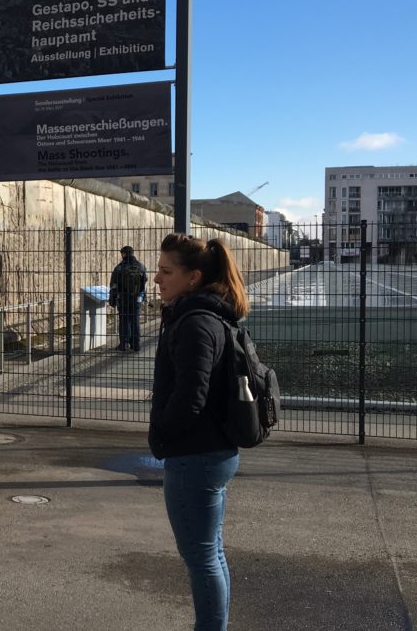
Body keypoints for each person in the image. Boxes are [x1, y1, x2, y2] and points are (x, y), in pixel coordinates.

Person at [149, 233, 249, 631]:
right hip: (211, 452)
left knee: (201, 556)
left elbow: (191, 397)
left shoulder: (196, 323)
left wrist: (162, 437)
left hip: (196, 456)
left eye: (165, 271)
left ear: (193, 278)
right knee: (210, 551)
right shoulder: (209, 315)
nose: (157, 279)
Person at [108, 245, 147, 351]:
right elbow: (144, 283)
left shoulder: (119, 267)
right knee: (135, 321)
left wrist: (112, 298)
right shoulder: (141, 266)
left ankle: (123, 344)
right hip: (136, 298)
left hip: (123, 299)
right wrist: (143, 297)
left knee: (124, 321)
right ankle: (136, 344)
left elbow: (114, 285)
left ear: (123, 254)